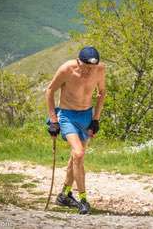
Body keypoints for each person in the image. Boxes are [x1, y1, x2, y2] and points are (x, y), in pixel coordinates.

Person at [45, 46, 106, 214]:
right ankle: (84, 199)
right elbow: (49, 91)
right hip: (67, 116)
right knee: (78, 153)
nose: (88, 71)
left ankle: (64, 195)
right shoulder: (66, 69)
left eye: (92, 68)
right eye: (85, 67)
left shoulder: (100, 69)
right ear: (78, 61)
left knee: (76, 158)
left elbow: (102, 93)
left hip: (86, 116)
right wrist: (53, 121)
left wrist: (96, 119)